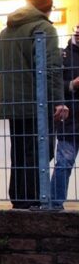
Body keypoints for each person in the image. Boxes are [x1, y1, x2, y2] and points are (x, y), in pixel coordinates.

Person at [0, 0, 70, 209]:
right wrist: (58, 101)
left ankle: (19, 200)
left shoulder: (5, 31)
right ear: (47, 9)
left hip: (13, 103)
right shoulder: (44, 28)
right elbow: (51, 68)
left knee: (19, 153)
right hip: (37, 103)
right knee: (39, 152)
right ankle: (35, 201)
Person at [51, 28, 79, 210]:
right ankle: (54, 204)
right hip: (71, 120)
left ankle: (54, 203)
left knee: (64, 163)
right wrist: (72, 85)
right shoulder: (63, 56)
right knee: (64, 163)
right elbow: (54, 84)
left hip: (70, 119)